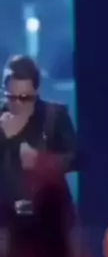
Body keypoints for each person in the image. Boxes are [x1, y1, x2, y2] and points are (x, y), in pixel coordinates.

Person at [0, 56, 78, 231]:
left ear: (37, 91)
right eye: (11, 97)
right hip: (7, 223)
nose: (17, 104)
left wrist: (41, 160)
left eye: (25, 98)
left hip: (49, 221)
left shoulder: (54, 117)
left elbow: (77, 158)